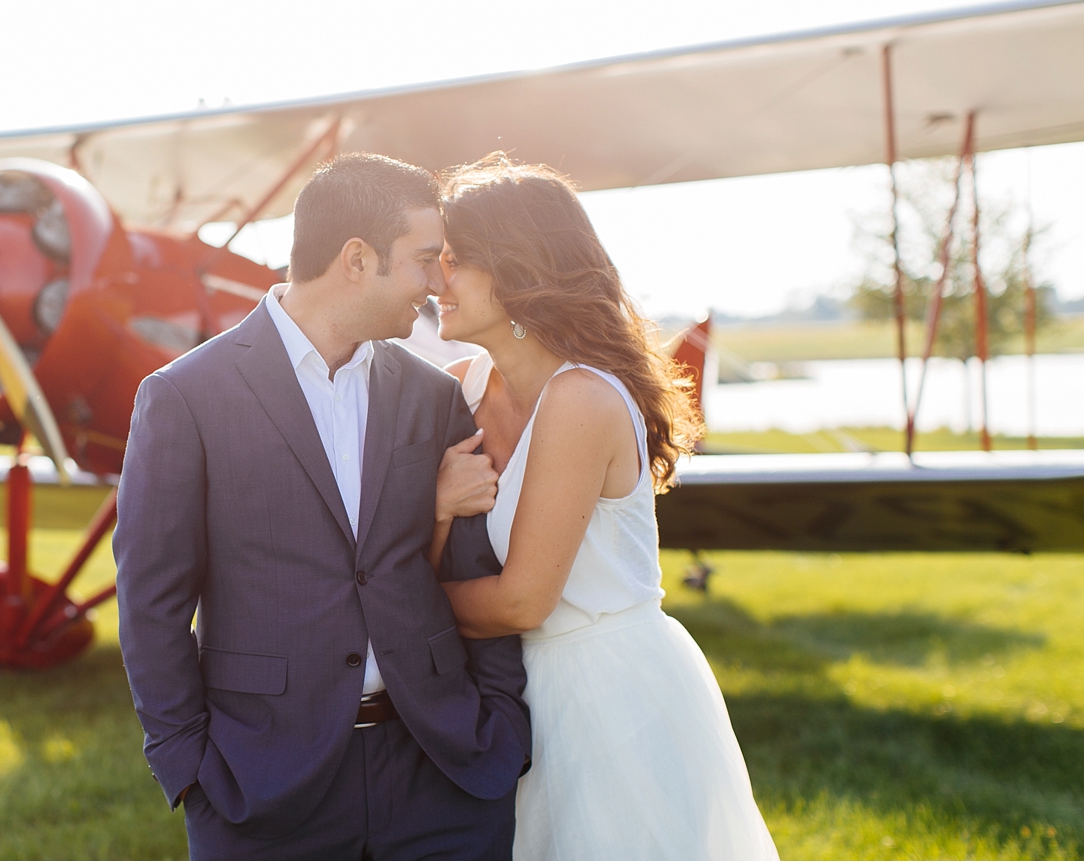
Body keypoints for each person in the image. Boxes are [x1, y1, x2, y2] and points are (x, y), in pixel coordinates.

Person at [114, 153, 530, 860]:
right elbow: (151, 600)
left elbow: (467, 568)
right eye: (425, 259)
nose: (437, 284)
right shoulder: (185, 397)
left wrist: (500, 723)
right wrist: (188, 763)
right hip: (261, 783)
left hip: (442, 771)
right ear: (358, 260)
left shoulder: (432, 397)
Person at [429, 154, 780, 861]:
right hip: (506, 698)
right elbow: (423, 542)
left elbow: (524, 603)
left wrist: (395, 608)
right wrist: (436, 509)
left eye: (455, 259)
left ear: (516, 268)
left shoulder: (582, 398)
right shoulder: (456, 387)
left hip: (604, 696)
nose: (438, 277)